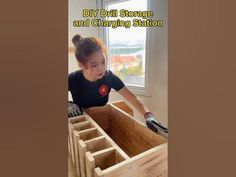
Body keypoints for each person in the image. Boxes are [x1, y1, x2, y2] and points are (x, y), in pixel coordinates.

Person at [68, 34, 168, 135]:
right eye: (95, 65)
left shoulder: (109, 77)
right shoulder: (72, 79)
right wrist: (68, 104)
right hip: (82, 124)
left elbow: (133, 98)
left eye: (103, 62)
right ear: (82, 65)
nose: (102, 68)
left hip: (103, 122)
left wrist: (148, 116)